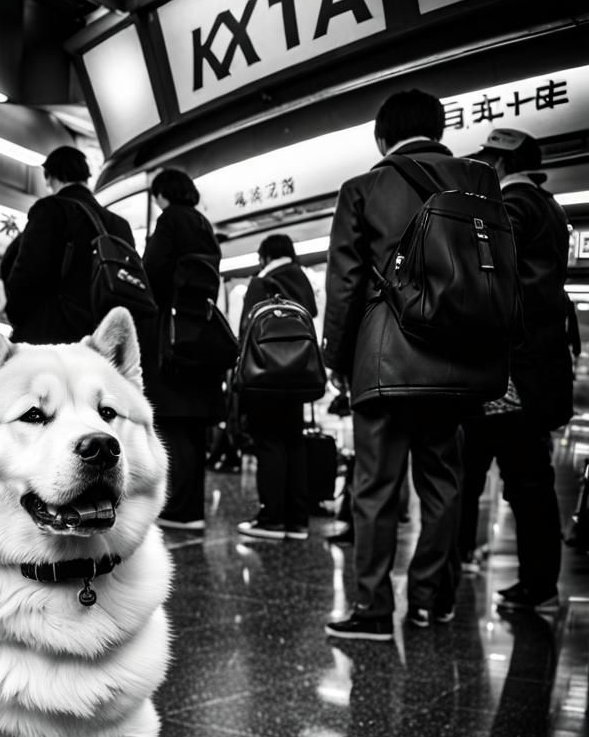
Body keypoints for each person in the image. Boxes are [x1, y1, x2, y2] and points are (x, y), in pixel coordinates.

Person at [322, 88, 501, 641]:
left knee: (375, 489)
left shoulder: (365, 187)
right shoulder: (478, 181)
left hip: (384, 363)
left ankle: (373, 611)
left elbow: (348, 284)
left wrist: (337, 356)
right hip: (455, 364)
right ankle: (430, 602)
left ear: (383, 136)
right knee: (444, 484)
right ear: (439, 129)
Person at [457, 129, 573, 612]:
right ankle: (537, 581)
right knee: (527, 479)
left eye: (488, 160)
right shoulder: (550, 207)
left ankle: (526, 582)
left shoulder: (511, 206)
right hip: (538, 367)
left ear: (502, 162)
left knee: (491, 474)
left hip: (507, 372)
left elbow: (490, 281)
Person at [140, 167, 222, 530]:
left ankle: (179, 509)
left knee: (172, 423)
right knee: (193, 428)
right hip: (200, 334)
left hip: (171, 336)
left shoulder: (170, 220)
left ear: (162, 194)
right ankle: (194, 508)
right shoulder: (205, 226)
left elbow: (151, 272)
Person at [4, 146, 134, 344]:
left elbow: (27, 272)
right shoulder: (119, 225)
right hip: (102, 340)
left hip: (52, 333)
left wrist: (17, 316)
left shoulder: (51, 209)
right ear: (86, 176)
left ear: (49, 177)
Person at [236, 234, 318, 540]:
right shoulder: (302, 279)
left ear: (265, 255)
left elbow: (248, 328)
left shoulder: (262, 282)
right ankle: (297, 521)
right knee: (294, 443)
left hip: (266, 377)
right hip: (299, 376)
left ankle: (271, 518)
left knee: (269, 443)